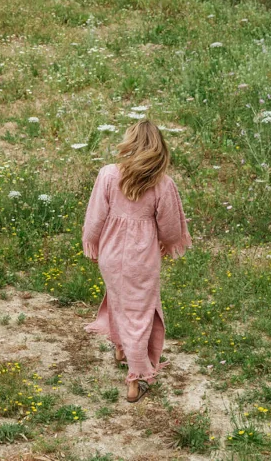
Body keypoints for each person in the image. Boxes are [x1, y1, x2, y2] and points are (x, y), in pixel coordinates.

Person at [82, 120, 191, 403]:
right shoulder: (162, 184)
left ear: (129, 143)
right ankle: (137, 375)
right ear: (159, 149)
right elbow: (170, 231)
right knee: (140, 313)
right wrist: (167, 242)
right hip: (142, 259)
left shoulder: (108, 175)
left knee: (119, 298)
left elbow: (95, 220)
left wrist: (93, 245)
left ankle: (121, 347)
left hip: (111, 254)